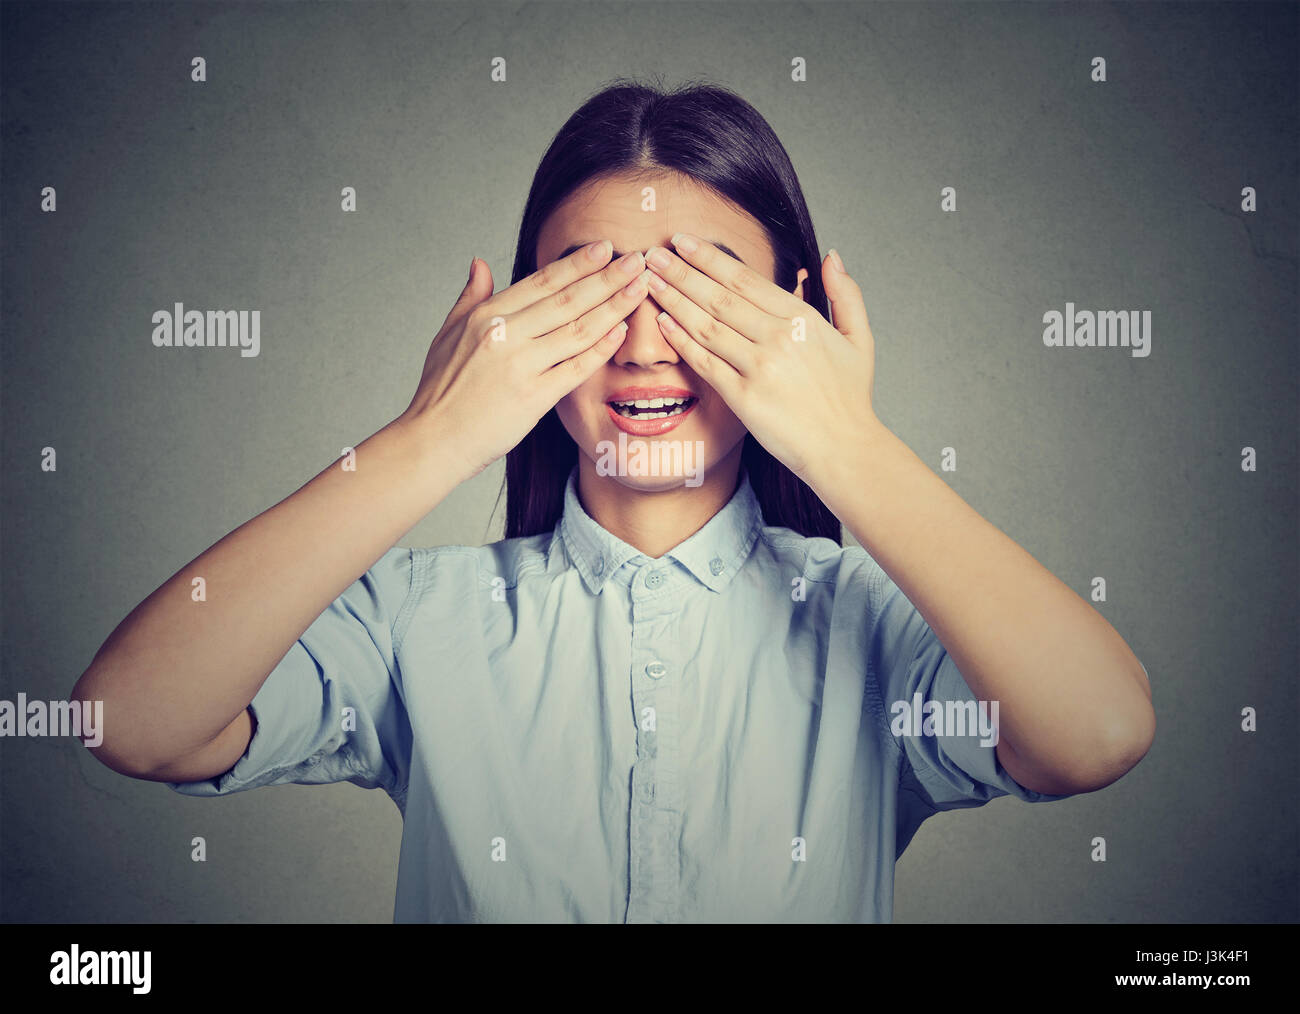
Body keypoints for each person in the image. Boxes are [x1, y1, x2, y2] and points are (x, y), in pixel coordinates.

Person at [72, 79, 1155, 922]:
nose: (642, 346)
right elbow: (131, 723)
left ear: (791, 321)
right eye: (592, 291)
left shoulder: (870, 628)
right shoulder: (418, 619)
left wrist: (847, 441)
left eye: (696, 293)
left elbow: (1097, 732)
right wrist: (431, 436)